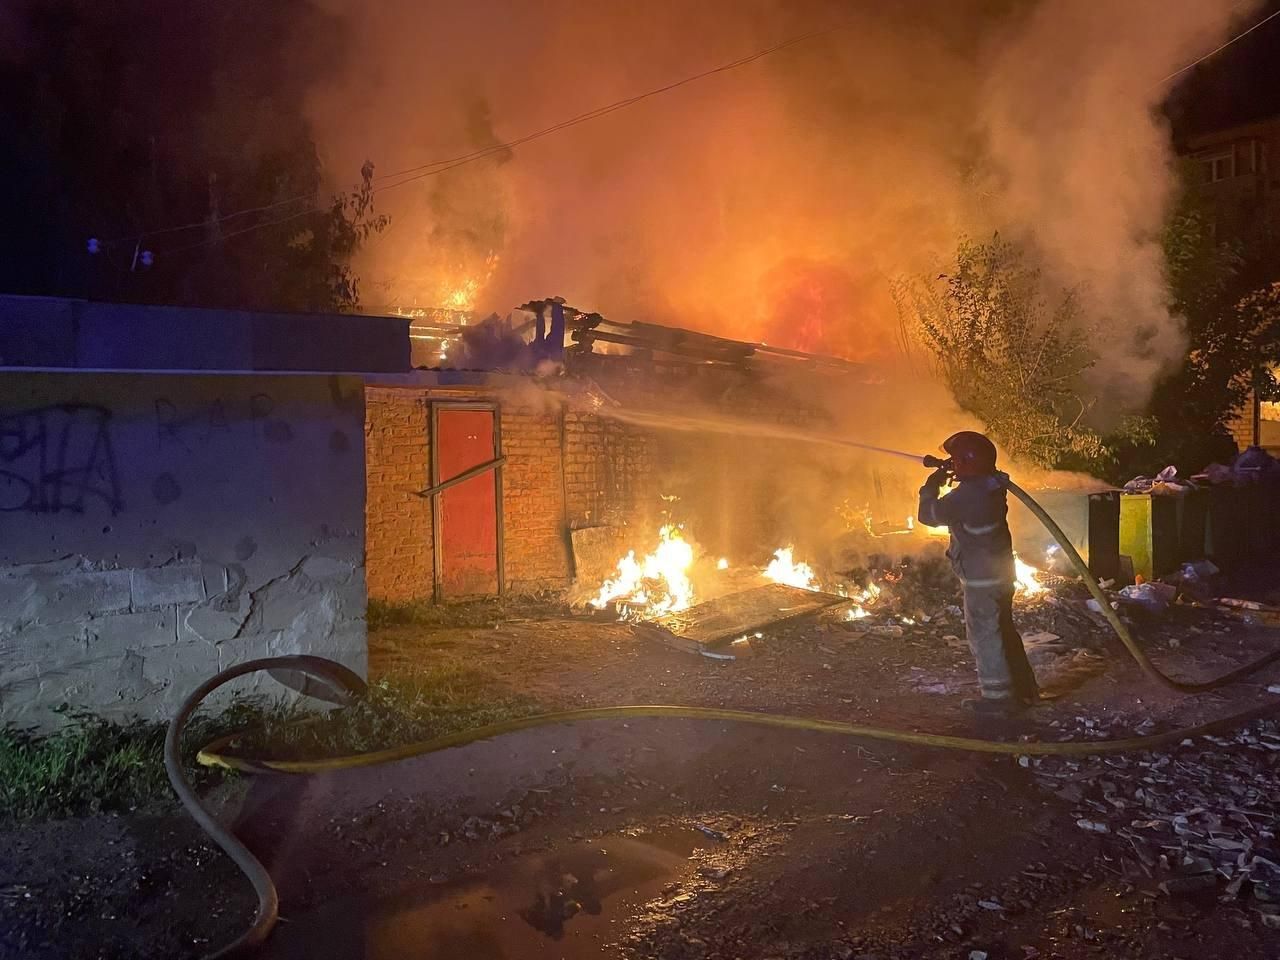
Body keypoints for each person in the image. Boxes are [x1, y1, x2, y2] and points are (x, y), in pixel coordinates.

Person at [918, 431, 1039, 716]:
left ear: (966, 462)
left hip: (981, 580)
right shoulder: (990, 484)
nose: (952, 463)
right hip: (999, 576)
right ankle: (1023, 690)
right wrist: (951, 473)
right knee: (1003, 631)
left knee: (985, 637)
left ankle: (998, 700)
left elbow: (928, 515)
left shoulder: (968, 495)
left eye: (956, 460)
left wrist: (930, 486)